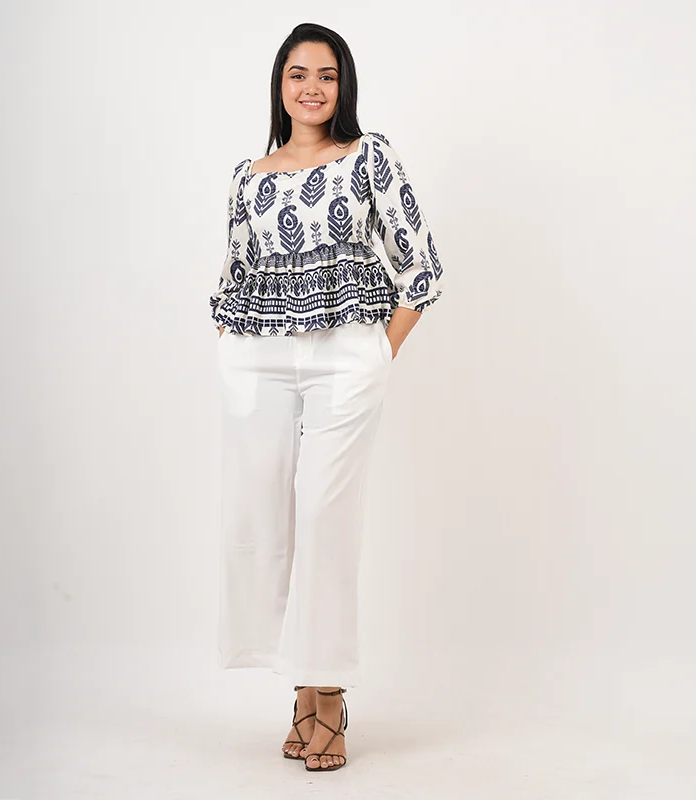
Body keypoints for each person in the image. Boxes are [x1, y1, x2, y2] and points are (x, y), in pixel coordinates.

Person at [208, 22, 444, 773]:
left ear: (344, 88)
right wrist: (233, 355)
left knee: (324, 518)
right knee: (263, 519)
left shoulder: (370, 157)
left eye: (327, 75)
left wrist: (377, 352)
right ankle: (300, 688)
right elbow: (234, 277)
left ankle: (329, 695)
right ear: (279, 86)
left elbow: (422, 267)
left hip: (345, 355)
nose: (312, 87)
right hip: (258, 359)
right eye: (298, 74)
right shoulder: (249, 175)